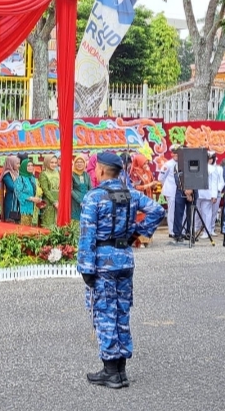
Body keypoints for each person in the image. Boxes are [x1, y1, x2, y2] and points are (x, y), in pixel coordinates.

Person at [78, 152, 164, 389]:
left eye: (96, 168)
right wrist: (137, 232)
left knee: (104, 313)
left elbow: (87, 235)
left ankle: (111, 372)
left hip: (103, 263)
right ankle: (121, 370)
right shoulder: (131, 194)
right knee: (122, 312)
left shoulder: (94, 197)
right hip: (125, 259)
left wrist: (85, 268)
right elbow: (158, 210)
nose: (94, 172)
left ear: (103, 171)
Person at [129, 154, 160, 247]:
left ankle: (146, 240)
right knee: (140, 220)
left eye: (147, 162)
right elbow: (136, 187)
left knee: (148, 219)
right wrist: (150, 185)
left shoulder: (148, 171)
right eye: (144, 163)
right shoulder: (133, 173)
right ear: (138, 162)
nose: (146, 164)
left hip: (149, 199)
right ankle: (138, 241)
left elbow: (152, 182)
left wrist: (155, 186)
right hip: (139, 201)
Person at [195, 151, 221, 239]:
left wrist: (214, 195)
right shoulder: (198, 166)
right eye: (207, 158)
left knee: (207, 213)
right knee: (197, 213)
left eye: (211, 158)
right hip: (197, 193)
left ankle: (207, 231)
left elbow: (214, 183)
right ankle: (196, 229)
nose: (209, 160)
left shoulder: (213, 169)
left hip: (207, 194)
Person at [158, 144, 180, 235]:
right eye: (174, 153)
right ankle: (171, 231)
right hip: (171, 191)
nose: (176, 155)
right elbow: (160, 178)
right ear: (172, 154)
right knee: (172, 212)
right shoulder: (167, 164)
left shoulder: (183, 163)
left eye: (178, 153)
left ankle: (180, 229)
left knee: (180, 211)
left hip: (180, 192)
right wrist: (167, 187)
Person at [14, 159, 42, 227]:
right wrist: (31, 198)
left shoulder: (33, 178)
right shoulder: (20, 179)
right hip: (25, 209)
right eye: (28, 165)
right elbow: (18, 193)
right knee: (25, 231)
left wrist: (39, 198)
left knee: (35, 230)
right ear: (23, 167)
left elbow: (38, 190)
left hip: (35, 208)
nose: (30, 167)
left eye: (32, 165)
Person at [38, 154, 60, 228]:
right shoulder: (43, 174)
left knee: (58, 224)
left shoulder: (58, 172)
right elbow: (45, 190)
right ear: (47, 162)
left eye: (55, 162)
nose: (54, 164)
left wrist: (59, 201)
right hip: (48, 202)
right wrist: (54, 202)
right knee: (48, 225)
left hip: (58, 202)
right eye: (51, 162)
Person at [71, 154, 91, 221]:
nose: (79, 164)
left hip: (86, 201)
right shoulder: (72, 175)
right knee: (76, 221)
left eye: (81, 162)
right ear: (74, 163)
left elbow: (90, 188)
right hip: (75, 202)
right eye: (77, 162)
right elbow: (71, 190)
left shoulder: (87, 175)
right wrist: (79, 201)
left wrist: (89, 200)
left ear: (84, 163)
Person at [0, 155, 20, 223]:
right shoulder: (7, 174)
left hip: (18, 200)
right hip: (11, 201)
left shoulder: (17, 173)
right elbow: (12, 187)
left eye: (19, 163)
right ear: (11, 163)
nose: (19, 165)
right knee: (10, 222)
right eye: (17, 163)